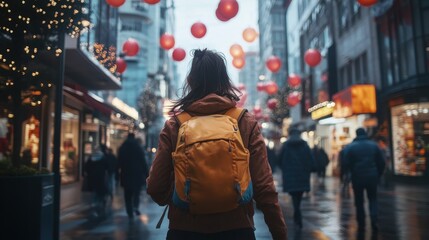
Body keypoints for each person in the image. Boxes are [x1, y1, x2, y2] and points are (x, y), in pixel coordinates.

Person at [146, 49, 287, 240]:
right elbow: (264, 188)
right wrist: (280, 234)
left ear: (190, 81)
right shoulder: (244, 122)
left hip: (185, 230)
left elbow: (155, 187)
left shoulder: (175, 124)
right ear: (225, 81)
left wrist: (182, 192)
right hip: (237, 229)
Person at [343, 128, 385, 232]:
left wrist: (349, 174)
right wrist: (377, 174)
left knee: (359, 201)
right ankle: (374, 219)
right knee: (373, 199)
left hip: (357, 177)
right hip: (372, 176)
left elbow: (345, 163)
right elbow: (381, 162)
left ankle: (361, 223)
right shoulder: (374, 145)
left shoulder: (351, 147)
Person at [279, 127, 314, 229]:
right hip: (302, 174)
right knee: (299, 195)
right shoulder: (304, 145)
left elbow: (279, 159)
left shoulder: (286, 145)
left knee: (294, 195)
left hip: (290, 175)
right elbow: (311, 159)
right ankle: (297, 213)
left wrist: (285, 168)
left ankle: (297, 213)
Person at [117, 133, 149, 221]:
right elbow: (143, 162)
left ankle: (129, 211)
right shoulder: (138, 147)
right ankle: (135, 206)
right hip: (137, 174)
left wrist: (117, 175)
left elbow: (119, 162)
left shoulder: (122, 148)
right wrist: (147, 174)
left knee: (127, 195)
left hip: (126, 174)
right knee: (136, 193)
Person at [84, 147, 109, 218]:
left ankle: (93, 205)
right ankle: (100, 204)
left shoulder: (90, 159)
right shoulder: (103, 158)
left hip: (91, 178)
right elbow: (107, 167)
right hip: (100, 178)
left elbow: (86, 168)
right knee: (101, 192)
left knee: (93, 192)